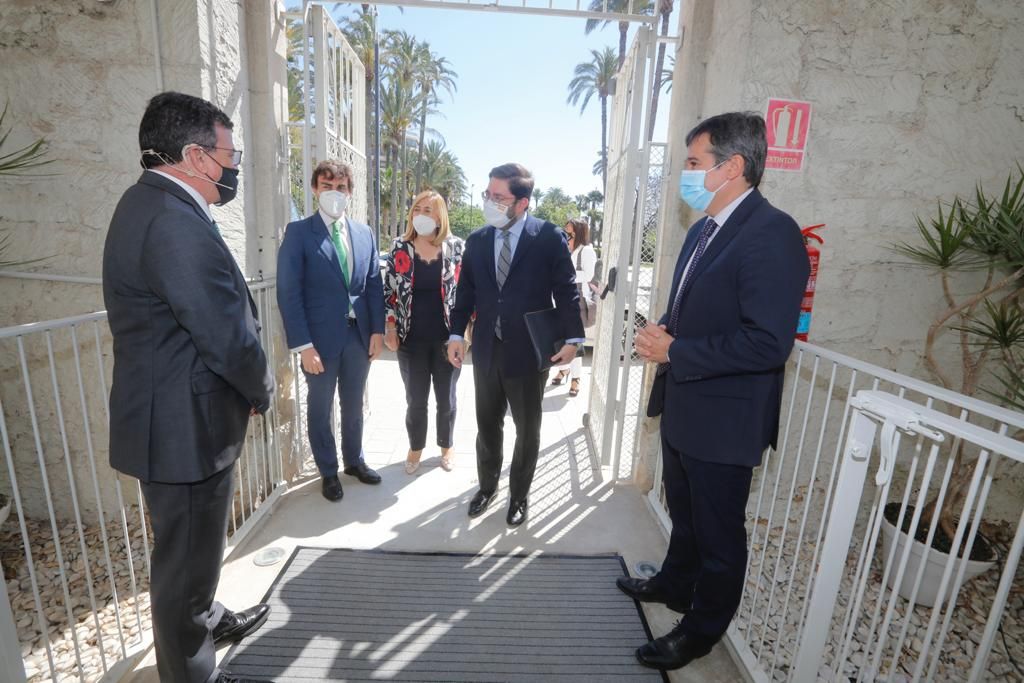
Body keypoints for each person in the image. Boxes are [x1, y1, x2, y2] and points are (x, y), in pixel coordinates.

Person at [623, 112, 809, 671]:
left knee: (719, 535)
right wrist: (661, 331)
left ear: (731, 167)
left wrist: (675, 351)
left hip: (726, 420)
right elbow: (688, 308)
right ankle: (676, 586)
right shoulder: (705, 229)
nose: (684, 172)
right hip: (685, 404)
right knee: (684, 510)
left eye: (692, 163)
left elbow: (767, 343)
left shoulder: (773, 233)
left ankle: (700, 632)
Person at [102, 91, 276, 683]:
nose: (234, 166)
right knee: (182, 567)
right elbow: (223, 334)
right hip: (184, 430)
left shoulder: (149, 204)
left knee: (194, 554)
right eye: (231, 153)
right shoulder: (172, 221)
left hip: (178, 418)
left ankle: (209, 614)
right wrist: (261, 388)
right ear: (197, 156)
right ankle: (192, 668)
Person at [447, 163, 584, 527]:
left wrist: (573, 339)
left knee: (528, 428)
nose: (490, 202)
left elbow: (566, 291)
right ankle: (487, 487)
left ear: (522, 202)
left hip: (528, 351)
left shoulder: (548, 237)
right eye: (487, 194)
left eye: (499, 197)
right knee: (487, 425)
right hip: (488, 349)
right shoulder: (476, 240)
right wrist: (456, 334)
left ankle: (519, 496)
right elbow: (467, 293)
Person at [277, 160, 386, 502]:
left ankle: (354, 461)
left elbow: (373, 286)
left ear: (350, 192)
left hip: (358, 335)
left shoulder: (364, 234)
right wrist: (303, 345)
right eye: (327, 186)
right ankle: (328, 470)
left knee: (353, 405)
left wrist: (377, 331)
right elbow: (288, 291)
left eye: (341, 187)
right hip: (319, 341)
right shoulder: (298, 233)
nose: (334, 193)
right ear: (314, 189)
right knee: (320, 407)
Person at [383, 190, 465, 474]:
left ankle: (447, 446)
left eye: (428, 210)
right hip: (410, 341)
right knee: (415, 400)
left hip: (447, 341)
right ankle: (415, 447)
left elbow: (465, 294)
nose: (421, 214)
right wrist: (391, 327)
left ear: (440, 215)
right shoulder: (400, 248)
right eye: (417, 208)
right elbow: (389, 292)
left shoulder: (456, 248)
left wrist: (465, 332)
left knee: (447, 399)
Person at [550, 218, 597, 397]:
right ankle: (564, 370)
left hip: (577, 301)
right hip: (563, 301)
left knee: (574, 341)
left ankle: (576, 378)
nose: (566, 235)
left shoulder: (586, 251)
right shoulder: (568, 250)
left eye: (569, 232)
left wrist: (564, 273)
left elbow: (589, 274)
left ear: (578, 232)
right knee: (561, 340)